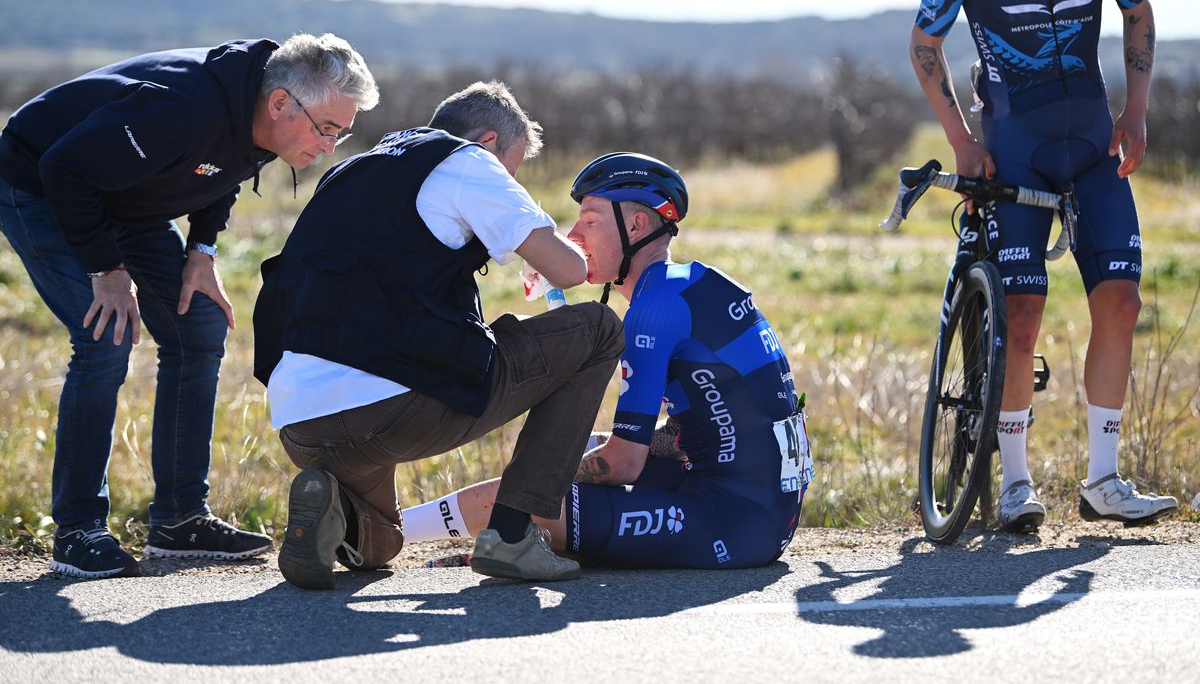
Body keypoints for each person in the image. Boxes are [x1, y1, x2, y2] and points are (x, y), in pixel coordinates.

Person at [0, 33, 379, 579]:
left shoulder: (260, 114)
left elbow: (221, 169)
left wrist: (203, 250)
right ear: (280, 104)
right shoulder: (184, 108)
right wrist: (107, 272)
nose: (330, 146)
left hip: (126, 194)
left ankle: (179, 521)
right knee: (105, 334)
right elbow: (67, 169)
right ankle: (78, 530)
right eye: (327, 130)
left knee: (197, 326)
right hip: (42, 181)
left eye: (342, 135)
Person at [253, 81, 624, 589]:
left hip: (301, 419)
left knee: (382, 546)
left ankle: (333, 506)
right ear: (489, 142)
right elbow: (569, 271)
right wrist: (567, 249)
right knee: (598, 330)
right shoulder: (470, 161)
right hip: (388, 404)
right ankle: (513, 533)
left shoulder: (352, 169)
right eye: (510, 172)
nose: (506, 182)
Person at [909, 0, 1177, 531]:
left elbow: (1137, 12)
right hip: (1015, 150)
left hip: (1089, 142)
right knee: (1022, 315)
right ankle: (1016, 485)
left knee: (1121, 301)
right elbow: (925, 42)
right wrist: (961, 142)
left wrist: (1135, 110)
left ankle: (1104, 480)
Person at [399, 152, 814, 570]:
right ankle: (410, 531)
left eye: (591, 221)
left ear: (637, 226)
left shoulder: (653, 310)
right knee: (584, 447)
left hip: (732, 522)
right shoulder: (690, 286)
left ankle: (384, 535)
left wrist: (544, 476)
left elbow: (624, 465)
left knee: (522, 494)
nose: (574, 234)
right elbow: (693, 431)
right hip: (754, 505)